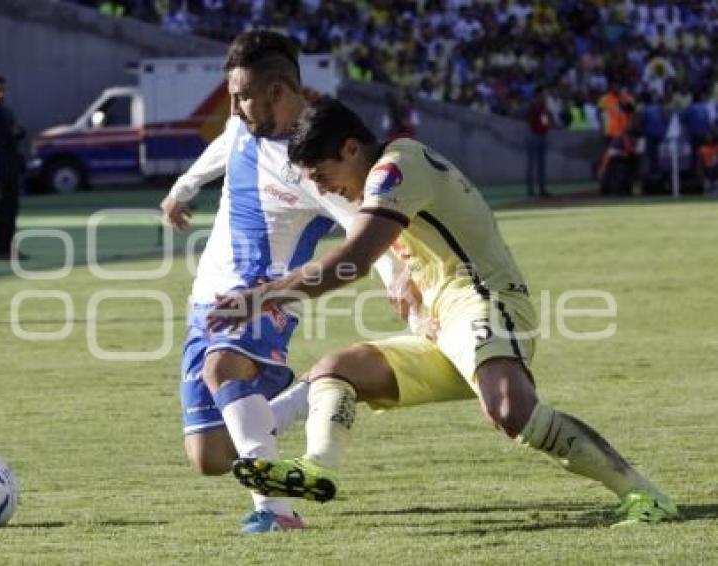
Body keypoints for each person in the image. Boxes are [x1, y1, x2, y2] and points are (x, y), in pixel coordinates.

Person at [209, 97, 679, 527]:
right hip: (445, 324)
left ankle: (645, 495)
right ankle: (319, 467)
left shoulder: (397, 168)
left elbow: (352, 260)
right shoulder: (386, 179)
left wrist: (264, 295)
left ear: (351, 149)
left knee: (511, 411)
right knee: (339, 369)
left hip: (486, 302)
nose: (321, 186)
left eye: (320, 173)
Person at [159, 31, 404, 534]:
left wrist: (400, 277)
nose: (233, 105)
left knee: (223, 365)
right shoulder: (243, 128)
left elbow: (367, 224)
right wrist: (180, 191)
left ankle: (277, 512)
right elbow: (221, 149)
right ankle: (313, 391)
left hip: (260, 302)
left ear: (278, 92)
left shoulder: (314, 162)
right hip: (205, 300)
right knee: (208, 454)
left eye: (242, 95)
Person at [0, 76, 27, 261]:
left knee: (11, 209)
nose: (1, 94)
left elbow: (20, 131)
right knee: (1, 210)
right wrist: (13, 132)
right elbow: (6, 136)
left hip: (11, 165)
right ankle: (0, 248)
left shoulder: (5, 111)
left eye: (2, 90)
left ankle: (10, 247)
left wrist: (14, 132)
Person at [525, 88, 552, 197]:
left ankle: (542, 188)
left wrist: (546, 129)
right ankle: (531, 189)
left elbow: (544, 121)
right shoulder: (533, 106)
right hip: (534, 135)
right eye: (542, 95)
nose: (544, 98)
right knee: (532, 164)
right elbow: (531, 120)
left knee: (541, 164)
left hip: (542, 135)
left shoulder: (543, 108)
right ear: (538, 95)